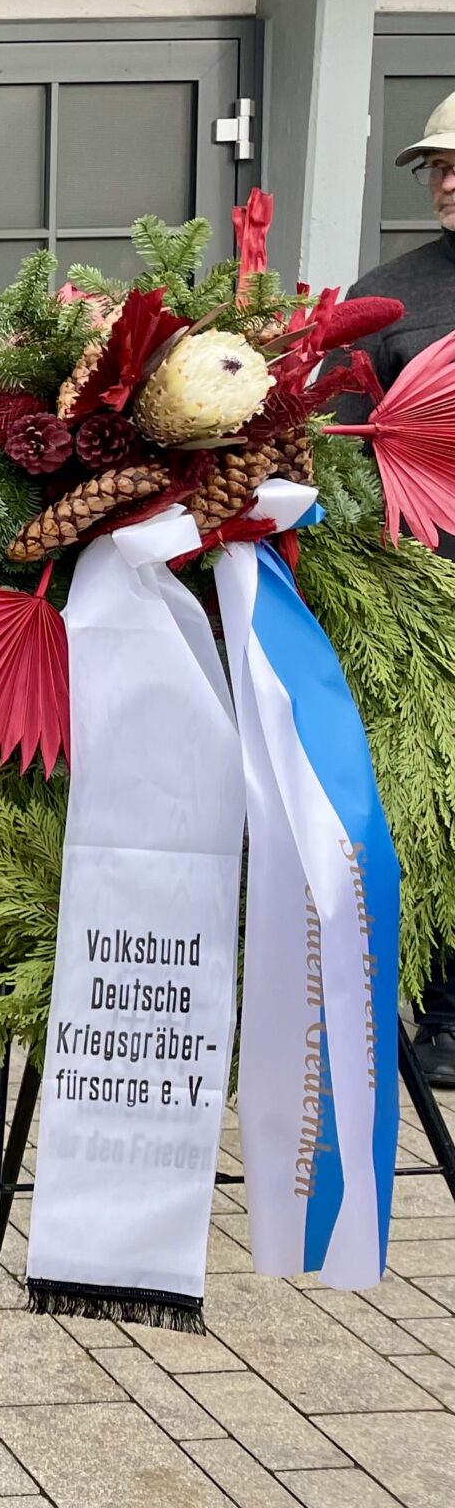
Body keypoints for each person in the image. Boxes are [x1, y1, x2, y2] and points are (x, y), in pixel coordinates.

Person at [354, 92, 455, 1086]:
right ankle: (443, 1020)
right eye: (437, 167)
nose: (448, 182)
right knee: (434, 808)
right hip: (428, 600)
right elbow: (340, 453)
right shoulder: (387, 300)